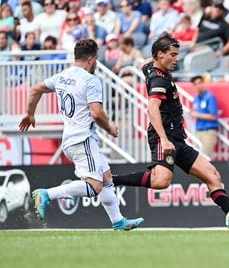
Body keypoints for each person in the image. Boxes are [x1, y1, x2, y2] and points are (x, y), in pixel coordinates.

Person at [112, 33, 229, 227]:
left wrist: (142, 61)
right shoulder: (159, 80)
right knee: (161, 182)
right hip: (164, 138)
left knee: (212, 175)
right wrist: (164, 139)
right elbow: (152, 108)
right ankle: (112, 180)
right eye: (173, 55)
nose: (177, 59)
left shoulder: (151, 67)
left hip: (177, 138)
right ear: (160, 54)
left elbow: (143, 63)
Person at [19, 39, 144, 231]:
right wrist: (110, 128)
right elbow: (96, 112)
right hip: (82, 139)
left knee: (106, 178)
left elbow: (36, 89)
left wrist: (30, 113)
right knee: (95, 186)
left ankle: (118, 221)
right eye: (97, 60)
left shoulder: (62, 76)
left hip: (71, 138)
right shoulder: (90, 80)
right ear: (92, 59)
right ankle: (46, 194)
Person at [190, 75, 219, 158]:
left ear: (203, 83)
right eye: (196, 84)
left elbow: (213, 116)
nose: (198, 86)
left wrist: (197, 115)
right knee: (197, 158)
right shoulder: (196, 99)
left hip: (209, 131)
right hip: (199, 131)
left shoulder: (210, 97)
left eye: (200, 83)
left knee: (206, 157)